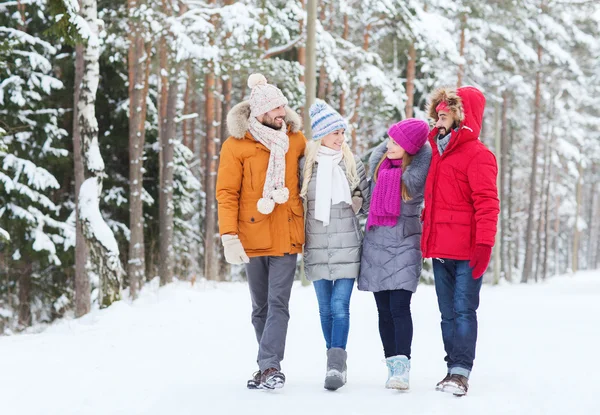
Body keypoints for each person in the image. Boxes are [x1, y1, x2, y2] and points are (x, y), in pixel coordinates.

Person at [216, 73, 306, 390]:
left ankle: (269, 367)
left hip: (286, 233)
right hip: (251, 235)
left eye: (283, 106)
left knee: (278, 304)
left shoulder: (296, 141)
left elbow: (316, 170)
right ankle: (267, 366)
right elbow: (227, 193)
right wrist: (228, 236)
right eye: (275, 108)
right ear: (260, 113)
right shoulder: (236, 145)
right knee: (261, 308)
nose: (282, 112)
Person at [421, 86, 499, 396]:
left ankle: (460, 372)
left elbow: (487, 202)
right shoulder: (435, 152)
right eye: (438, 112)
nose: (440, 117)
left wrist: (484, 244)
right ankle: (451, 365)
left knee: (464, 310)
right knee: (447, 312)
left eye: (446, 112)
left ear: (462, 116)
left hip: (467, 249)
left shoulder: (479, 155)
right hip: (441, 246)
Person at [300, 100, 370, 391]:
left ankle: (335, 366)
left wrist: (358, 200)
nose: (341, 138)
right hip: (316, 245)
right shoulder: (306, 166)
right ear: (321, 136)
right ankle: (335, 361)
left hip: (347, 246)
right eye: (334, 133)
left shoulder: (353, 164)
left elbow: (365, 203)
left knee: (340, 306)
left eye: (342, 132)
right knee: (324, 308)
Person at [358, 119, 432, 391]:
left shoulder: (415, 176)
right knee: (383, 311)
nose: (389, 146)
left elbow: (424, 155)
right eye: (389, 140)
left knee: (399, 308)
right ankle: (391, 365)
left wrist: (419, 146)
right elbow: (365, 204)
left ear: (411, 148)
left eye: (397, 143)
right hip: (376, 245)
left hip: (404, 245)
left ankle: (403, 368)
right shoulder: (379, 169)